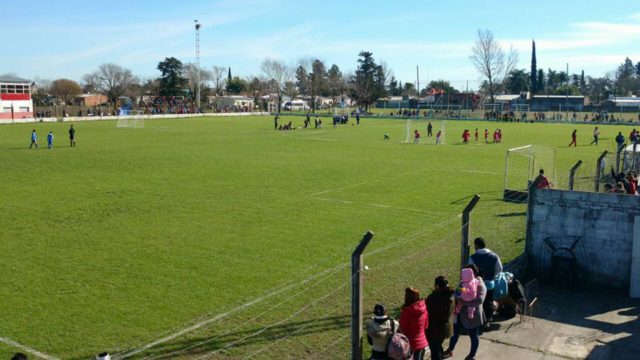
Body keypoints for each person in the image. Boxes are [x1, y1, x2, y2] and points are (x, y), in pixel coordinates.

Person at [443, 265, 486, 360]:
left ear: (473, 273)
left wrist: (464, 302)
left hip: (473, 316)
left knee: (474, 336)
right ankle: (450, 350)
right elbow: (456, 293)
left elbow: (480, 300)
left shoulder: (480, 285)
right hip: (461, 314)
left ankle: (472, 355)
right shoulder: (463, 282)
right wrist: (459, 298)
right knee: (455, 333)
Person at [468, 238, 502, 330]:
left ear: (476, 245)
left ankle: (478, 321)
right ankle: (487, 321)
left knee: (478, 304)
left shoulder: (473, 257)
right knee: (488, 302)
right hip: (490, 284)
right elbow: (499, 269)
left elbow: (470, 271)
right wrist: (492, 276)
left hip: (477, 285)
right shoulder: (494, 256)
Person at [426, 276, 454, 360]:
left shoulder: (434, 298)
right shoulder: (450, 295)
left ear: (437, 286)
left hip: (435, 329)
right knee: (438, 347)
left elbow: (428, 311)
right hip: (445, 327)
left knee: (435, 351)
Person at [399, 287, 429, 360]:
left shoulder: (406, 312)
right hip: (422, 342)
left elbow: (403, 329)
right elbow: (426, 325)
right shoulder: (424, 309)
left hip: (410, 343)